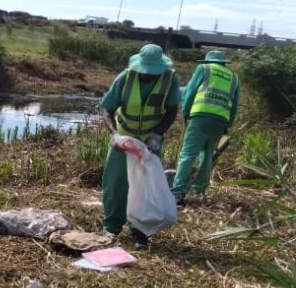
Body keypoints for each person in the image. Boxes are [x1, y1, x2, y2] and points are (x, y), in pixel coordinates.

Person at [99, 43, 180, 249]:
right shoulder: (125, 78)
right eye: (145, 73)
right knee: (115, 183)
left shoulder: (170, 79)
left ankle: (140, 231)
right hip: (124, 137)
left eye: (153, 74)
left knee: (145, 186)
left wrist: (157, 135)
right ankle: (111, 228)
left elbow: (171, 111)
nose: (148, 76)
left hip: (148, 141)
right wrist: (115, 134)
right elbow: (106, 109)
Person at [171, 50, 240, 205]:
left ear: (208, 61)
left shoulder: (204, 69)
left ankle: (177, 192)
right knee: (207, 154)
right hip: (220, 120)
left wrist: (186, 112)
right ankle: (199, 190)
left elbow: (190, 92)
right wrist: (227, 124)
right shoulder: (234, 78)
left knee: (188, 154)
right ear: (223, 63)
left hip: (200, 116)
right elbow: (234, 105)